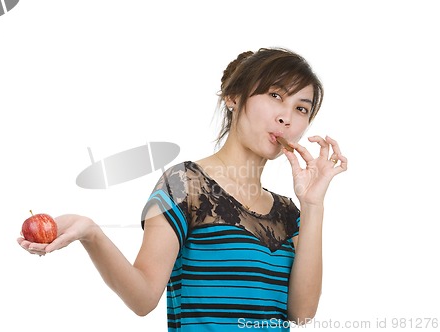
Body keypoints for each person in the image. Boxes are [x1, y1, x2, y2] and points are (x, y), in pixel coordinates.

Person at [18, 47, 348, 331]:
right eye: (275, 95)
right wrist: (93, 234)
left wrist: (313, 205)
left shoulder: (290, 212)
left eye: (301, 108)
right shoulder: (184, 184)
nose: (286, 117)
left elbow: (302, 315)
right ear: (234, 98)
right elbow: (143, 297)